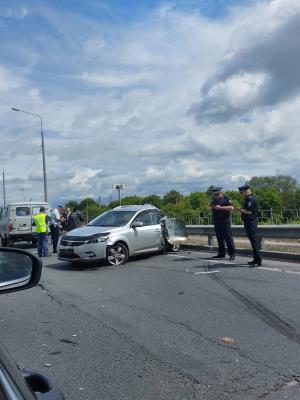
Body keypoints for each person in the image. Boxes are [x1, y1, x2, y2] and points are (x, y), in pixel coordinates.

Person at [236, 184, 262, 267]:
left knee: (254, 241)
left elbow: (249, 212)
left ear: (246, 191)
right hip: (249, 222)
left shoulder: (251, 199)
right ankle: (255, 259)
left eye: (242, 193)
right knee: (252, 241)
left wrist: (240, 209)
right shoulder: (248, 198)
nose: (241, 195)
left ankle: (258, 260)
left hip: (251, 222)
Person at [209, 187, 235, 260]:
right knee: (219, 238)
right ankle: (221, 253)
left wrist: (220, 208)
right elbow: (210, 208)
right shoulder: (214, 200)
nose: (216, 196)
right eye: (215, 195)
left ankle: (232, 254)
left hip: (225, 221)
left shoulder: (226, 199)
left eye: (217, 194)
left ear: (220, 193)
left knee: (228, 238)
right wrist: (212, 207)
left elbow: (232, 208)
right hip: (217, 221)